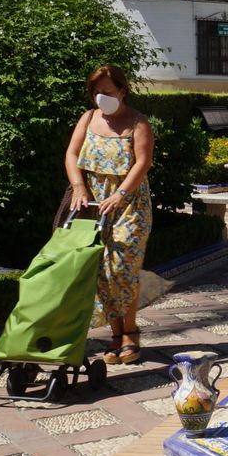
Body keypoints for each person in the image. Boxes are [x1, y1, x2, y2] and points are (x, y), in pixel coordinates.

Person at [64, 65, 154, 364]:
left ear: (123, 91)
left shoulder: (138, 123)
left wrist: (121, 195)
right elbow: (72, 154)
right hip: (93, 204)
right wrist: (78, 186)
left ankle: (130, 332)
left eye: (108, 92)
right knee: (101, 270)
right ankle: (116, 335)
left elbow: (143, 163)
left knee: (121, 267)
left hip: (129, 204)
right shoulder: (88, 119)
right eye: (97, 93)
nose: (102, 98)